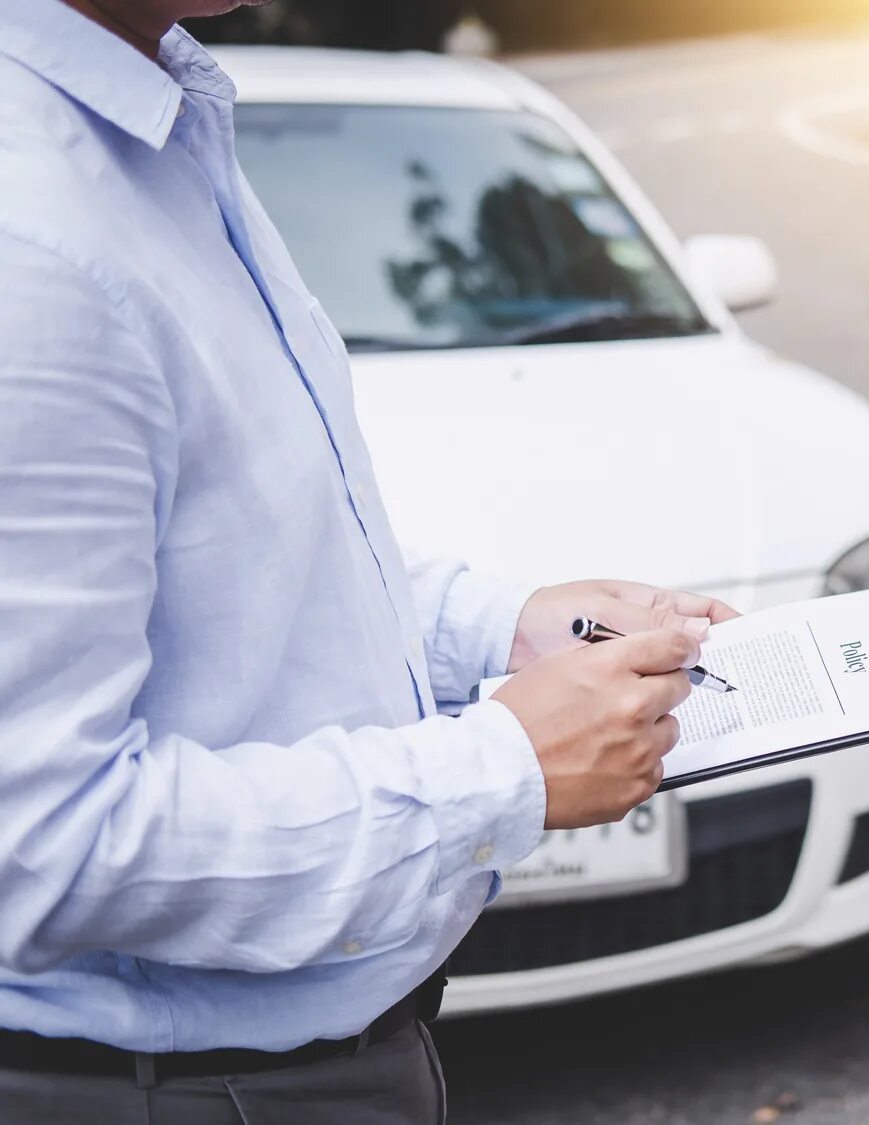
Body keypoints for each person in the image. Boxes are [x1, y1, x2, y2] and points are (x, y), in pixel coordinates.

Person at [0, 0, 735, 1119]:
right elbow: (35, 847)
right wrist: (505, 770)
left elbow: (240, 561)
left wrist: (499, 624)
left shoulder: (164, 122)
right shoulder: (32, 239)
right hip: (178, 1093)